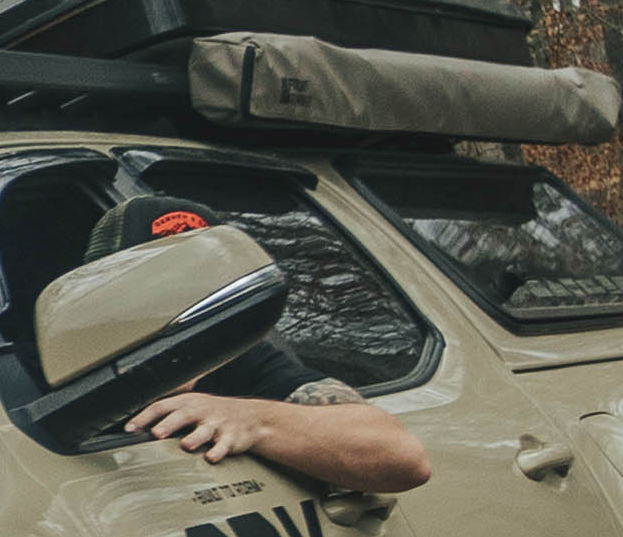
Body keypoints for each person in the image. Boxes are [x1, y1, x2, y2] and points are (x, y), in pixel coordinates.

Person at [92, 189, 433, 499]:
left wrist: (252, 418)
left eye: (205, 290)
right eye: (155, 286)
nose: (185, 311)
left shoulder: (235, 361)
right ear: (99, 296)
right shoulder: (49, 373)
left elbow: (401, 457)